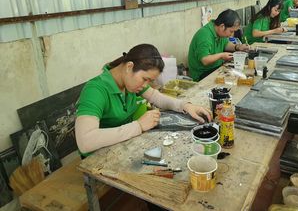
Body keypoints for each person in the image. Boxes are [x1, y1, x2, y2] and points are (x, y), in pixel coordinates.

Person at [75, 44, 212, 156]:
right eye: (145, 79)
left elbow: (156, 97)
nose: (145, 85)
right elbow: (85, 141)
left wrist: (185, 106)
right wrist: (138, 126)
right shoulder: (95, 90)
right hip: (100, 156)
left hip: (123, 145)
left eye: (149, 81)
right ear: (129, 67)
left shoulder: (130, 82)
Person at [188, 9, 249, 82]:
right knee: (233, 81)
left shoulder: (219, 32)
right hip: (202, 74)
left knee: (241, 76)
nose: (231, 35)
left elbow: (226, 44)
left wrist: (238, 47)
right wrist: (222, 56)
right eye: (231, 31)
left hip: (217, 68)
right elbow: (205, 60)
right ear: (222, 26)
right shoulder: (204, 36)